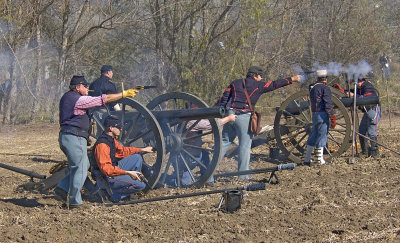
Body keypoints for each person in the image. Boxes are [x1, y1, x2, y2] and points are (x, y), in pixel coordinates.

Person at [54, 75, 139, 209]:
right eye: (85, 86)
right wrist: (123, 94)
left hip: (72, 136)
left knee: (83, 164)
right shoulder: (76, 99)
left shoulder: (70, 97)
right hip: (73, 136)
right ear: (77, 87)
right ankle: (74, 202)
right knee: (81, 167)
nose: (87, 88)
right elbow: (102, 100)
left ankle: (62, 188)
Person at [217, 66, 301, 179]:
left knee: (224, 142)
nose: (261, 78)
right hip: (244, 116)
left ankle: (209, 172)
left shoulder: (235, 82)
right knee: (245, 146)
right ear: (255, 75)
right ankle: (242, 176)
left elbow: (224, 97)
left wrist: (222, 113)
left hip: (230, 114)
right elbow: (275, 84)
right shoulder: (259, 85)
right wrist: (292, 79)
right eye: (260, 76)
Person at [92, 115, 154, 202]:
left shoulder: (110, 139)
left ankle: (129, 187)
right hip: (105, 178)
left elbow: (123, 151)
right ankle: (112, 195)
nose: (121, 129)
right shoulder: (102, 145)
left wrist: (142, 149)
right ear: (111, 128)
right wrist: (127, 173)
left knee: (136, 157)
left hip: (113, 169)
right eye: (118, 127)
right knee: (141, 185)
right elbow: (106, 170)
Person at [174, 114, 238, 187]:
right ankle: (176, 181)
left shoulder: (187, 119)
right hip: (188, 157)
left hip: (194, 153)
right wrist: (228, 118)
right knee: (184, 183)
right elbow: (212, 124)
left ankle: (208, 179)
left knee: (205, 155)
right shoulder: (192, 121)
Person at [303, 70, 336, 166]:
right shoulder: (324, 88)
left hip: (314, 114)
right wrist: (332, 116)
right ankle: (320, 160)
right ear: (325, 79)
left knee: (313, 135)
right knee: (322, 135)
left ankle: (307, 159)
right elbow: (327, 103)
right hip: (322, 114)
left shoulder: (313, 88)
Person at [345, 75, 381, 157]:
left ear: (361, 81)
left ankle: (375, 152)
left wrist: (353, 95)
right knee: (362, 130)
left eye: (357, 82)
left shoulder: (367, 86)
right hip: (367, 111)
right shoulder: (360, 88)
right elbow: (350, 91)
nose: (356, 84)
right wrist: (342, 90)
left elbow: (367, 97)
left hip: (374, 109)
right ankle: (365, 151)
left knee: (372, 131)